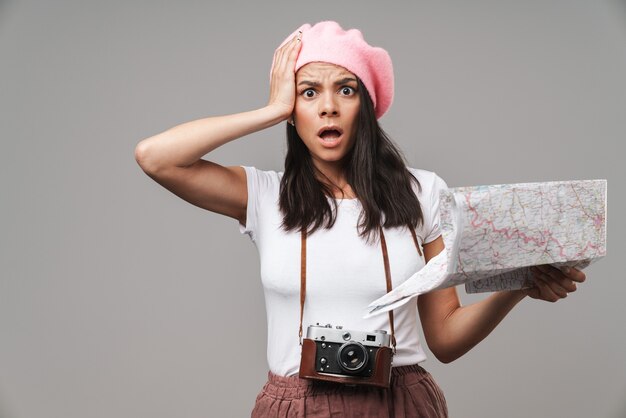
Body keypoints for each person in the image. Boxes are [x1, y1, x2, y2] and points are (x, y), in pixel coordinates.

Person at [134, 21, 587, 418]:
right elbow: (156, 157)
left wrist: (520, 286)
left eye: (345, 90)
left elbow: (446, 339)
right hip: (295, 404)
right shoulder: (265, 196)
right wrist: (270, 110)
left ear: (366, 107)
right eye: (309, 92)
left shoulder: (423, 193)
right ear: (294, 110)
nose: (327, 106)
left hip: (402, 400)